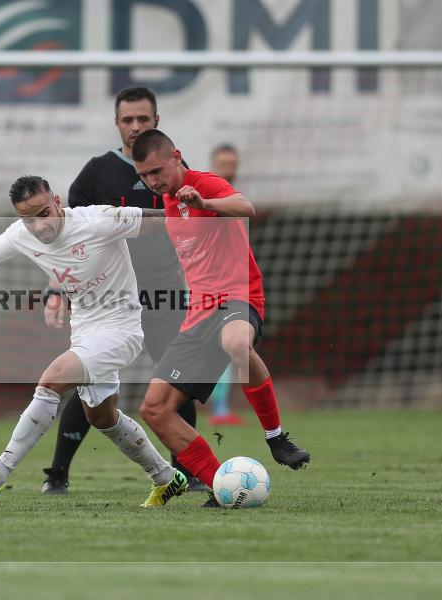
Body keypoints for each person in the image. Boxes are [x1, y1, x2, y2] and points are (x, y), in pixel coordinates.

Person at [0, 175, 187, 507]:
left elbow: (161, 221)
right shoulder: (22, 234)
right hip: (84, 331)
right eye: (27, 218)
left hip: (121, 329)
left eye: (43, 213)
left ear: (56, 201)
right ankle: (166, 477)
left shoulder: (98, 220)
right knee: (102, 418)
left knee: (52, 381)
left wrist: (202, 211)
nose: (38, 226)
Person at [39, 86, 209, 494]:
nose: (136, 126)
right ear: (117, 124)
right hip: (108, 299)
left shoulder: (174, 170)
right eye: (128, 119)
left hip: (164, 292)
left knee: (176, 380)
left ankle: (191, 471)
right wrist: (56, 288)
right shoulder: (97, 173)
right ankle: (58, 474)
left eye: (143, 119)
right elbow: (64, 238)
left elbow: (198, 228)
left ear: (156, 122)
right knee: (91, 379)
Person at [130, 130, 310, 507]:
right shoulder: (167, 203)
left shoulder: (204, 184)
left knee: (235, 344)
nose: (152, 180)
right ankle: (220, 485)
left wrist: (207, 202)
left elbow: (246, 207)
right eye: (144, 175)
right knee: (154, 408)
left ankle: (276, 438)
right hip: (199, 311)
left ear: (176, 156)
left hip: (238, 297)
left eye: (157, 171)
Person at [207, 143, 245, 427]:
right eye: (223, 163)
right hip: (200, 288)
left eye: (232, 163)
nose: (228, 168)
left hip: (228, 286)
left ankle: (220, 408)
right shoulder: (206, 199)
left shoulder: (235, 200)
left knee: (227, 348)